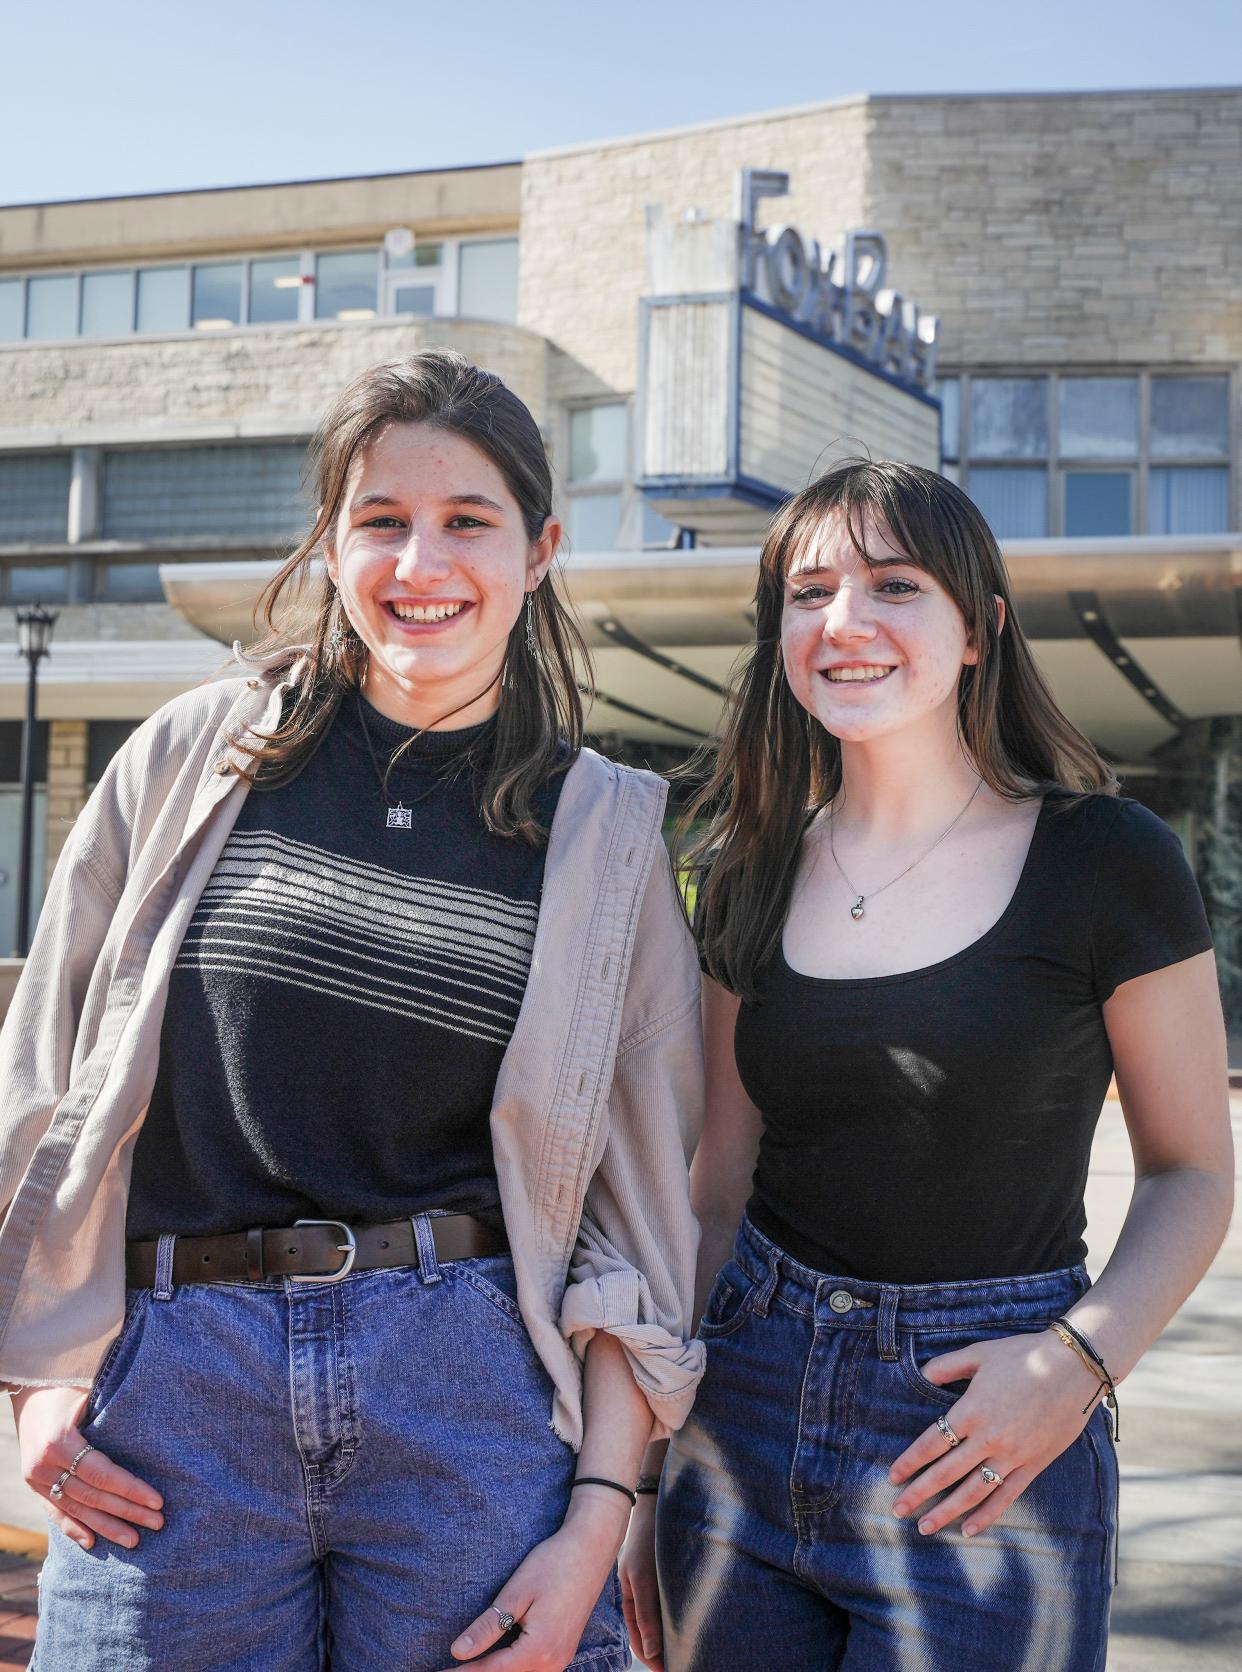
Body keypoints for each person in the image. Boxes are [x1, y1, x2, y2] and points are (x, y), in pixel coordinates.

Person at [0, 350, 705, 1672]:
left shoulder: (602, 832)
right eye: (379, 520)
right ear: (330, 543)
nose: (418, 561)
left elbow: (641, 1214)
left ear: (540, 549)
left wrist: (600, 1514)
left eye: (466, 522)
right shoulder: (191, 758)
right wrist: (39, 1383)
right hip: (176, 1396)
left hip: (471, 1395)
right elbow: (42, 1079)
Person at [619, 460, 1233, 1672]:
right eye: (807, 593)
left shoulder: (1107, 858)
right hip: (740, 1415)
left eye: (893, 585)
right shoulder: (745, 871)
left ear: (978, 630)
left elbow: (1191, 1171)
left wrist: (1078, 1363)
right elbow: (716, 1185)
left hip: (981, 1428)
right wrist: (643, 1474)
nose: (842, 623)